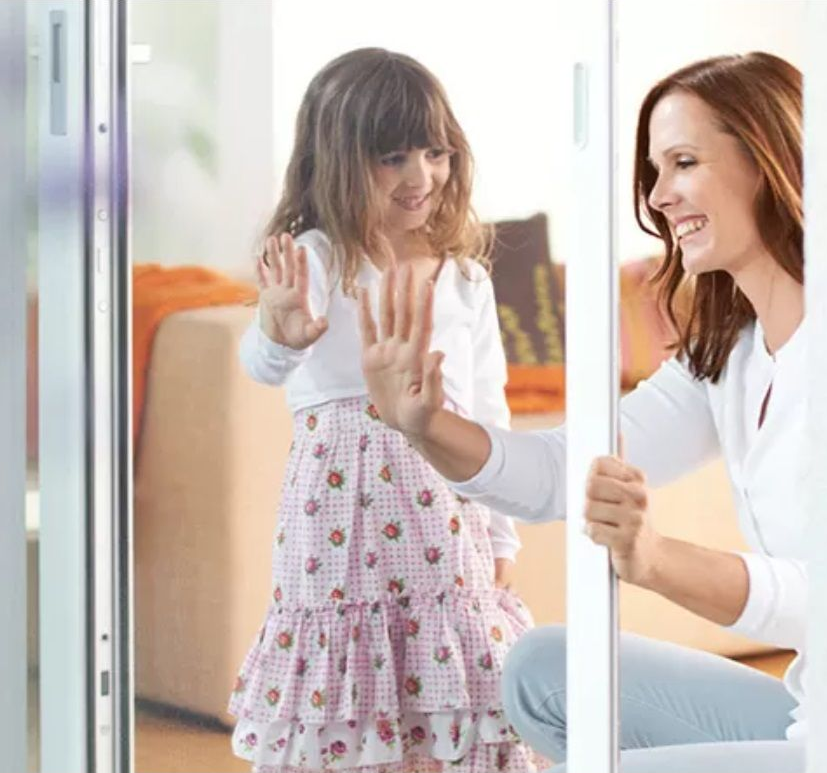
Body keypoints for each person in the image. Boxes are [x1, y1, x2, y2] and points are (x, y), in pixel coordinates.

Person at [357, 52, 808, 773]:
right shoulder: (730, 354)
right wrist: (424, 422)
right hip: (812, 710)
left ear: (768, 157)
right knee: (543, 665)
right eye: (653, 172)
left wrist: (656, 558)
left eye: (683, 162)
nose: (658, 196)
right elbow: (563, 471)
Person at [226, 48, 549, 773]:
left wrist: (500, 538)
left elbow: (487, 411)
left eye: (434, 153)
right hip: (334, 532)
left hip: (442, 514)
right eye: (393, 156)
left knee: (449, 698)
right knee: (351, 699)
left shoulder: (463, 275)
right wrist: (278, 334)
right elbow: (260, 364)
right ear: (338, 158)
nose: (420, 177)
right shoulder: (310, 260)